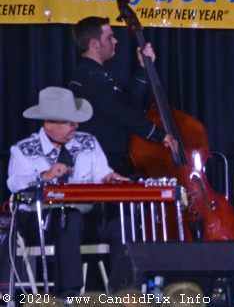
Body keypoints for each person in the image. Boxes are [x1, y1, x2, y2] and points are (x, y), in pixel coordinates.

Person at [7, 87, 128, 297]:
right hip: (41, 223)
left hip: (85, 219)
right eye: (70, 122)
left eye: (75, 121)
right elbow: (15, 183)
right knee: (69, 218)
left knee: (122, 223)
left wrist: (109, 178)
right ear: (49, 124)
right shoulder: (23, 150)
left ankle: (126, 291)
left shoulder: (88, 142)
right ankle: (68, 295)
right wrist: (45, 176)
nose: (76, 126)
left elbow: (102, 173)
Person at [68, 16, 176, 176]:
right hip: (102, 168)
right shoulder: (90, 77)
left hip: (109, 163)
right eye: (109, 37)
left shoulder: (94, 74)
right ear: (94, 43)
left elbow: (128, 105)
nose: (115, 41)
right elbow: (121, 112)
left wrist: (143, 68)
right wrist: (160, 135)